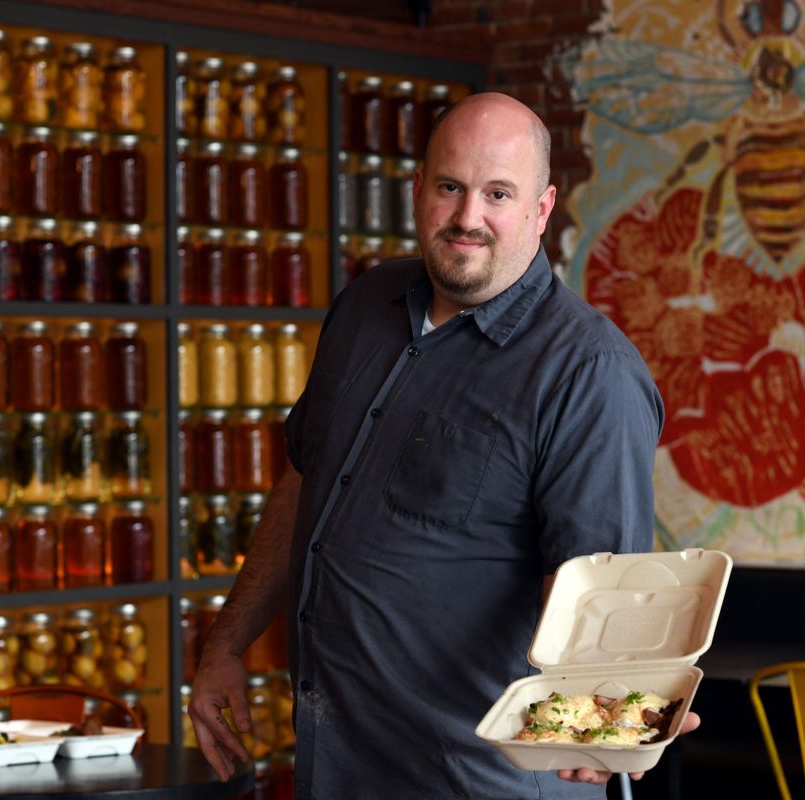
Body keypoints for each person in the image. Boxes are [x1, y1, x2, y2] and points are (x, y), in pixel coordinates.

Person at [189, 91, 688, 798]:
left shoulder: (588, 373)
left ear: (541, 210)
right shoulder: (367, 306)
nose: (467, 218)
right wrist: (225, 643)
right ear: (418, 189)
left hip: (478, 782)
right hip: (337, 765)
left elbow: (596, 585)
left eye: (498, 194)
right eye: (450, 187)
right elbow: (307, 480)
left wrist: (603, 710)